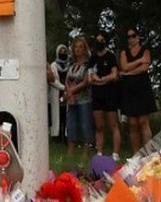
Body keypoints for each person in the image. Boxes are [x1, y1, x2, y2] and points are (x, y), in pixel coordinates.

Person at [119, 27, 157, 154]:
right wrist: (139, 61)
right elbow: (124, 66)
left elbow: (144, 67)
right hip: (129, 89)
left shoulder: (145, 50)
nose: (131, 38)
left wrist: (128, 72)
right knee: (133, 123)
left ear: (138, 36)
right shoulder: (124, 52)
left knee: (143, 121)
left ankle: (148, 152)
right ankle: (136, 154)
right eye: (128, 37)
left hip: (142, 88)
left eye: (133, 35)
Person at [87, 32, 121, 160]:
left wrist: (101, 79)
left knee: (113, 125)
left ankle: (115, 153)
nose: (99, 42)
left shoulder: (111, 56)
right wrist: (96, 80)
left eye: (101, 40)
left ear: (105, 41)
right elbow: (90, 78)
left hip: (110, 94)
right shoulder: (92, 59)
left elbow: (114, 75)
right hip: (97, 94)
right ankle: (99, 152)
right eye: (97, 40)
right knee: (99, 126)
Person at [65, 37, 94, 157]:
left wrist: (72, 91)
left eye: (80, 47)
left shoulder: (88, 64)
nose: (77, 49)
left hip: (84, 98)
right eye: (76, 47)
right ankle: (70, 150)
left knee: (85, 124)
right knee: (71, 124)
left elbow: (86, 81)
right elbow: (67, 79)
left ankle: (86, 151)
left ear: (85, 49)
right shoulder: (71, 64)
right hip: (71, 99)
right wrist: (69, 92)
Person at [48, 45, 69, 142]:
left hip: (67, 94)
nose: (63, 53)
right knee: (57, 114)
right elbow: (52, 80)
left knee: (66, 114)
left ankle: (66, 134)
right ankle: (56, 135)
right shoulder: (53, 65)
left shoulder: (70, 65)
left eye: (65, 51)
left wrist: (68, 89)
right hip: (57, 93)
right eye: (61, 51)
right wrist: (64, 88)